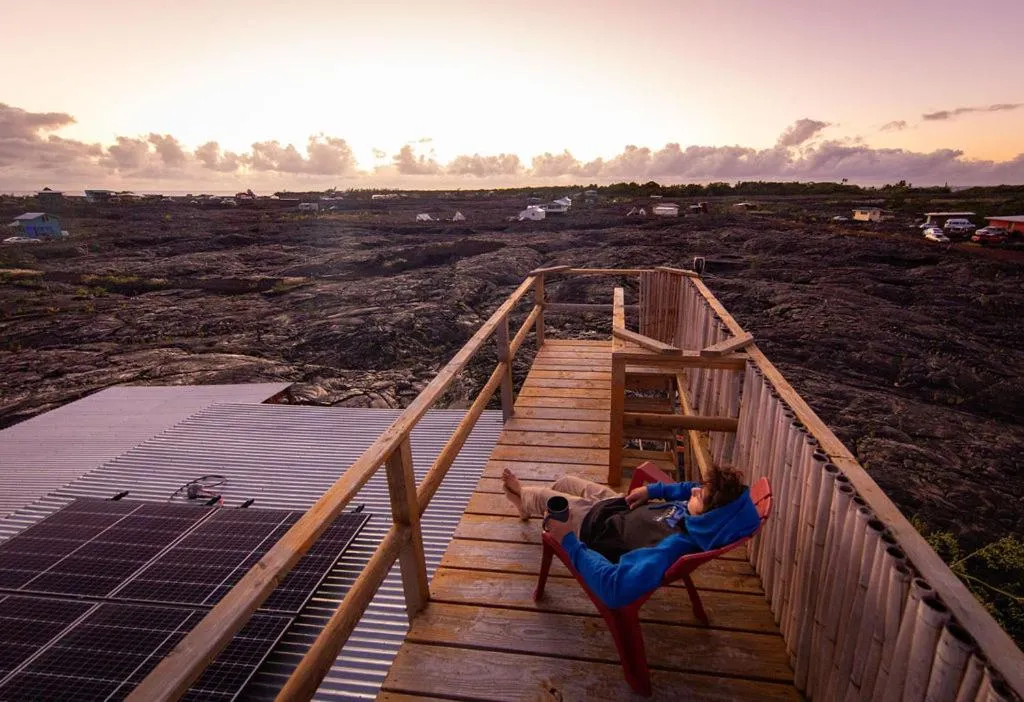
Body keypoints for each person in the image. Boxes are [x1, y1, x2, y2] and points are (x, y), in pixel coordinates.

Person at [501, 465, 760, 608]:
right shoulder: (704, 519)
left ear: (710, 517)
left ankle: (524, 499)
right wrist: (653, 490)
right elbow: (687, 488)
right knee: (566, 481)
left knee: (546, 499)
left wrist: (569, 540)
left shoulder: (671, 547)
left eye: (699, 496)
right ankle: (528, 505)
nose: (693, 491)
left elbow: (615, 589)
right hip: (617, 507)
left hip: (593, 529)